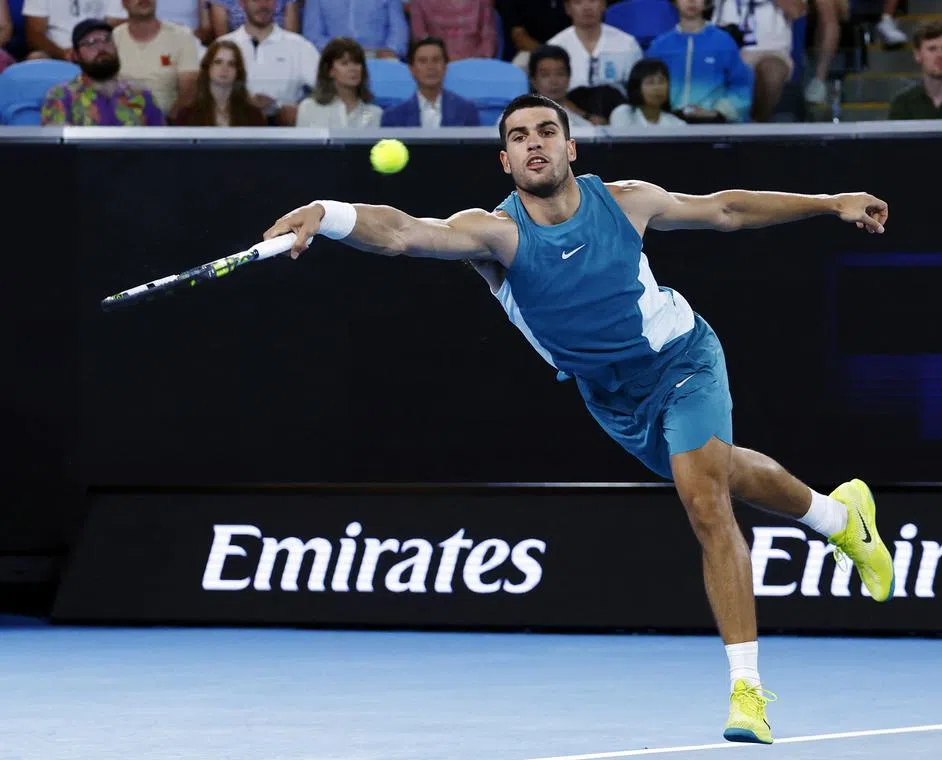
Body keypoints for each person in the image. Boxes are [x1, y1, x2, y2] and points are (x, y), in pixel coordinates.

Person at [261, 92, 895, 746]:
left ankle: (747, 690)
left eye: (546, 131)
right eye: (518, 136)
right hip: (611, 398)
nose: (533, 142)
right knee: (723, 473)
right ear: (505, 160)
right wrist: (326, 213)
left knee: (704, 501)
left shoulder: (626, 201)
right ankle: (839, 518)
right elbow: (399, 233)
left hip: (682, 360)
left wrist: (830, 203)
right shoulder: (494, 234)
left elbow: (726, 209)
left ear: (570, 147)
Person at [41, 18, 164, 125]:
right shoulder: (61, 95)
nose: (101, 47)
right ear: (75, 55)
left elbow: (161, 142)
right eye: (91, 42)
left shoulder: (142, 96)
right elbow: (57, 143)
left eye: (107, 39)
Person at [646, 0, 753, 123]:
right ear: (675, 2)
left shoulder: (723, 42)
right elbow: (646, 85)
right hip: (667, 124)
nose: (691, 1)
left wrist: (718, 112)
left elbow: (741, 85)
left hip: (712, 123)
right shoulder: (659, 46)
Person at [218, 0, 319, 126]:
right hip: (232, 127)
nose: (263, 5)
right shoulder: (223, 45)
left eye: (268, 0)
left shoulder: (299, 45)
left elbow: (327, 88)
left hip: (286, 130)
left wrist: (301, 111)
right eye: (256, 0)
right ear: (242, 4)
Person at [112, 0, 200, 116]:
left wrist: (168, 122)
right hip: (120, 119)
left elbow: (189, 90)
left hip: (167, 119)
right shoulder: (114, 37)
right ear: (124, 3)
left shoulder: (182, 36)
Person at [381, 37, 481, 127]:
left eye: (436, 60)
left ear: (445, 67)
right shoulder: (393, 117)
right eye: (423, 61)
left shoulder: (466, 111)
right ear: (412, 70)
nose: (430, 67)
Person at [172, 38, 266, 125]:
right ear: (208, 67)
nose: (224, 68)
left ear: (238, 71)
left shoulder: (253, 116)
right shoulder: (187, 115)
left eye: (231, 64)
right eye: (218, 62)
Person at [296, 37, 382, 128]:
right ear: (330, 71)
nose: (353, 69)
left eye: (357, 63)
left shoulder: (373, 113)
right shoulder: (309, 108)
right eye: (344, 63)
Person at [527, 44, 594, 128]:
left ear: (569, 77)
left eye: (560, 74)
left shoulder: (584, 124)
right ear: (533, 81)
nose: (554, 81)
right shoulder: (520, 120)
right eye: (545, 75)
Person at [608, 58, 687, 126]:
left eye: (661, 82)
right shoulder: (623, 114)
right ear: (637, 88)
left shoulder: (676, 124)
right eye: (650, 82)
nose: (657, 88)